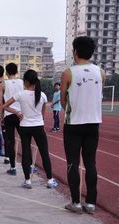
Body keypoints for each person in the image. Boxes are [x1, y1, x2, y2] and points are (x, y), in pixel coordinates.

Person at [61, 36, 105, 214]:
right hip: (93, 123)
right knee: (90, 162)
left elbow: (63, 100)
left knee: (72, 162)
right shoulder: (101, 72)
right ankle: (91, 203)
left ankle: (76, 203)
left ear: (75, 51)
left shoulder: (68, 73)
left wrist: (72, 110)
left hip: (74, 124)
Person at [3, 69, 58, 190]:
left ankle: (27, 181)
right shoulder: (42, 95)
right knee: (44, 153)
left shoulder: (21, 94)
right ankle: (50, 180)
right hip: (38, 126)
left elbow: (4, 106)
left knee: (26, 153)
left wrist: (17, 112)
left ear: (26, 82)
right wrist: (38, 120)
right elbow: (42, 113)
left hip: (25, 126)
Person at [0, 63, 24, 175]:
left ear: (6, 72)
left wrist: (1, 117)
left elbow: (1, 103)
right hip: (21, 115)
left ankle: (13, 168)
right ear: (17, 71)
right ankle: (28, 165)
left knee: (10, 142)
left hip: (8, 115)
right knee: (25, 141)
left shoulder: (3, 84)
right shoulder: (22, 82)